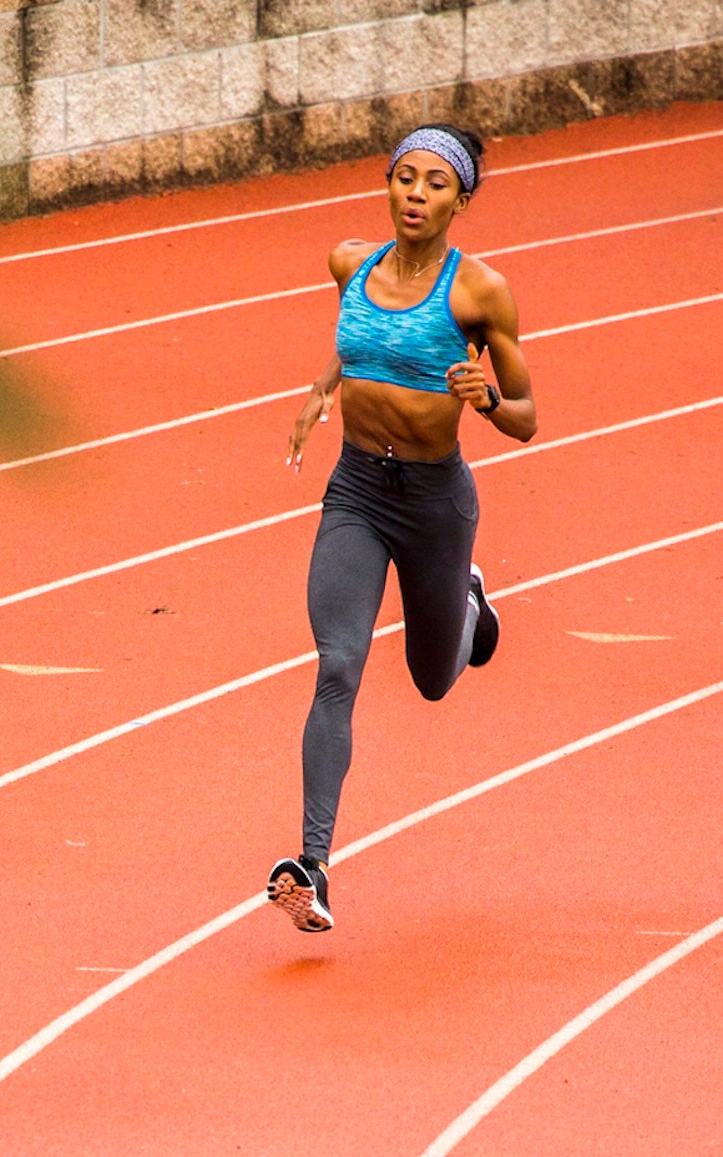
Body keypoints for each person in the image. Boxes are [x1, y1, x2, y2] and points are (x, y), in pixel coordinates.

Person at [268, 123, 539, 933]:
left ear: (461, 199)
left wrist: (487, 400)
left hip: (432, 500)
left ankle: (469, 605)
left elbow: (527, 419)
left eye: (435, 184)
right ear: (386, 184)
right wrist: (322, 387)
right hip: (356, 489)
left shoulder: (479, 294)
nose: (416, 195)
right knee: (338, 665)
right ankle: (313, 866)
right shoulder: (351, 264)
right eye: (404, 179)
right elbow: (358, 341)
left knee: (431, 678)